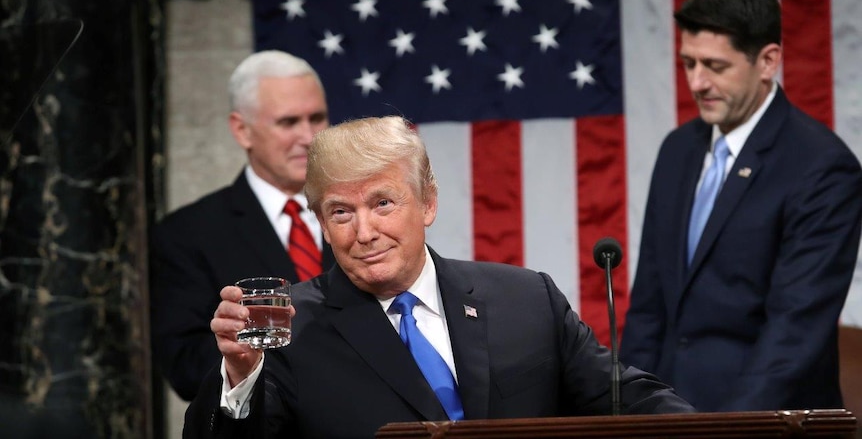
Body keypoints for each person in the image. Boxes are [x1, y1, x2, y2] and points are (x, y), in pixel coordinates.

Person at [182, 115, 694, 438]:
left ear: (427, 202)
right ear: (320, 222)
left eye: (383, 203)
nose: (364, 231)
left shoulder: (525, 299)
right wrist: (241, 377)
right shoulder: (289, 328)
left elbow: (631, 402)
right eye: (341, 212)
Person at [620, 0, 862, 412]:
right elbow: (649, 310)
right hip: (668, 420)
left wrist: (730, 429)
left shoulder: (823, 167)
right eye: (689, 63)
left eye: (715, 66)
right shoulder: (677, 150)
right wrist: (630, 414)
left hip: (766, 420)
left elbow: (794, 330)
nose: (697, 83)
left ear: (767, 61)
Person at [150, 50, 336, 401]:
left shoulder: (362, 212)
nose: (309, 136)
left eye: (317, 118)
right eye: (288, 122)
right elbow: (186, 367)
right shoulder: (187, 233)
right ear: (242, 130)